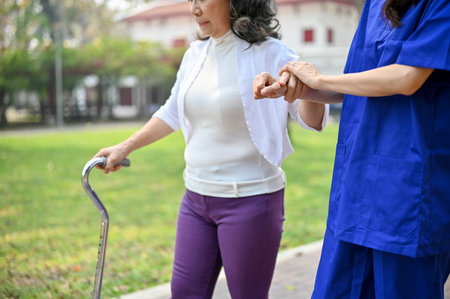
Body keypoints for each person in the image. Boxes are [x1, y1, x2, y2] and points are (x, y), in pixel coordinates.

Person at [93, 0, 327, 298]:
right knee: (185, 292)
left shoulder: (273, 54)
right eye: (191, 0)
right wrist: (124, 147)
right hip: (196, 200)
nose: (194, 9)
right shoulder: (195, 54)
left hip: (251, 201)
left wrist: (309, 85)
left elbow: (312, 121)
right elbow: (172, 111)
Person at [253, 0, 450, 298]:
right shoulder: (375, 5)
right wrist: (300, 87)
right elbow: (353, 83)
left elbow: (407, 78)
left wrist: (319, 79)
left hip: (408, 191)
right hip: (356, 184)